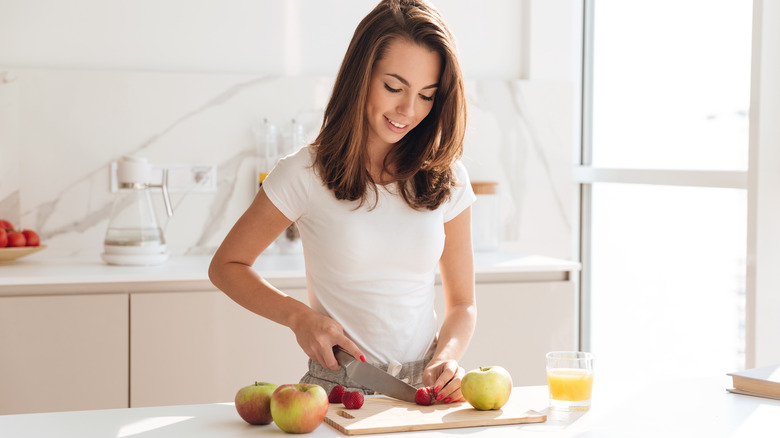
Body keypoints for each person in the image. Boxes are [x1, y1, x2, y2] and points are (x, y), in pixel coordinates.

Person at [209, 0, 476, 404]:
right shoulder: (304, 172)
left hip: (423, 395)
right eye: (393, 87)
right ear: (361, 76)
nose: (409, 110)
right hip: (337, 392)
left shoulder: (447, 176)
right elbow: (226, 266)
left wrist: (449, 359)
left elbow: (463, 304)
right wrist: (299, 318)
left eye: (426, 95)